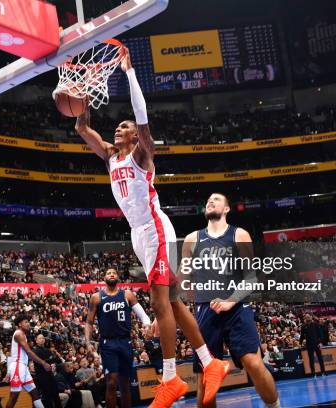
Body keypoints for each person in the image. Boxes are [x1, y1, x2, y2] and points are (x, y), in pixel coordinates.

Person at [75, 47, 228, 408]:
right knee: (173, 305)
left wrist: (128, 74)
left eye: (125, 126)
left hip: (157, 229)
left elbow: (143, 121)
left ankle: (171, 377)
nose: (120, 127)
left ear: (134, 136)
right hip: (138, 235)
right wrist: (81, 95)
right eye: (120, 126)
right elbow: (82, 127)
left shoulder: (142, 156)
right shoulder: (111, 157)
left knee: (161, 303)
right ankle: (210, 363)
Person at [183, 193, 280, 408]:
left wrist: (229, 301)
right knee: (206, 379)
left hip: (236, 307)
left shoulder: (239, 235)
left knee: (253, 363)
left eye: (216, 199)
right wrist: (165, 311)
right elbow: (182, 280)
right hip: (205, 310)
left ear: (227, 209)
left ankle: (275, 406)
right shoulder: (192, 239)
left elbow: (251, 278)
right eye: (208, 200)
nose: (210, 201)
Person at [85, 268, 151, 408]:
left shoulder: (127, 294)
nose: (112, 274)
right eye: (109, 273)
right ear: (104, 278)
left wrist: (146, 324)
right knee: (111, 382)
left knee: (125, 383)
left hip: (125, 342)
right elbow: (89, 322)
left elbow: (144, 315)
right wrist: (88, 342)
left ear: (118, 277)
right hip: (108, 343)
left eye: (114, 273)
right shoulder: (96, 297)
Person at [5, 315, 49, 408]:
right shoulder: (19, 334)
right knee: (13, 398)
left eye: (28, 322)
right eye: (26, 322)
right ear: (20, 324)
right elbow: (29, 352)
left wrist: (9, 371)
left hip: (23, 367)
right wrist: (43, 363)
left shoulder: (22, 334)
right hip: (18, 366)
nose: (28, 324)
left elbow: (11, 354)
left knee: (35, 394)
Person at [33, 334, 63, 408]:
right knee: (47, 397)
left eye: (43, 338)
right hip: (42, 376)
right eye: (40, 338)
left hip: (50, 375)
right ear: (36, 341)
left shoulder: (47, 350)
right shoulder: (35, 351)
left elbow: (56, 360)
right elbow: (41, 362)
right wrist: (51, 359)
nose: (42, 339)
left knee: (56, 395)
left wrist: (53, 359)